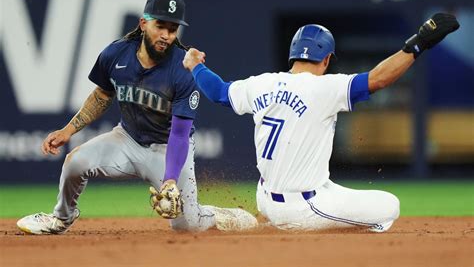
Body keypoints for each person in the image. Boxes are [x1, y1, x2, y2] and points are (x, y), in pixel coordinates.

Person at [182, 13, 460, 231]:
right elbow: (378, 78)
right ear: (326, 59)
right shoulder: (324, 88)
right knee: (389, 207)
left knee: (327, 185)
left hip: (265, 197)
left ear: (293, 54)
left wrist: (195, 65)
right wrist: (418, 43)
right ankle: (328, 236)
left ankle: (263, 220)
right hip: (301, 209)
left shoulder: (260, 84)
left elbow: (217, 92)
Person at [17, 0, 257, 235]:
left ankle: (216, 214)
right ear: (143, 23)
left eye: (173, 29)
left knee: (187, 225)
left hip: (167, 149)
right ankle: (60, 219)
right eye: (160, 26)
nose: (166, 35)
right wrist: (68, 130)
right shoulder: (116, 54)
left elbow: (180, 133)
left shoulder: (183, 69)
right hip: (126, 138)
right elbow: (102, 95)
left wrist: (171, 179)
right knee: (75, 162)